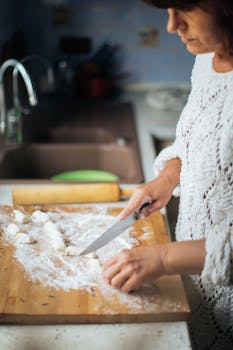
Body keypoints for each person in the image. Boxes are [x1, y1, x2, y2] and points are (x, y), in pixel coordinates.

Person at [102, 1, 233, 349]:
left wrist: (163, 257)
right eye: (169, 9)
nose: (172, 26)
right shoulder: (208, 57)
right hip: (199, 289)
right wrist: (169, 176)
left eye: (186, 10)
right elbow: (198, 140)